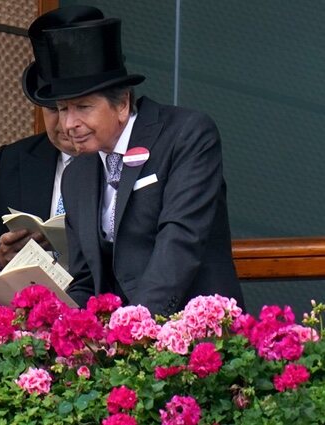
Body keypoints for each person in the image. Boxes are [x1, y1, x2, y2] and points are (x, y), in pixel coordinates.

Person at [30, 11, 244, 316]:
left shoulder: (186, 135)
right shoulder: (76, 174)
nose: (69, 123)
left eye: (83, 107)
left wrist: (132, 327)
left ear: (122, 104)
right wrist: (55, 323)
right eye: (63, 109)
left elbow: (179, 242)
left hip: (198, 335)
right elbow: (87, 280)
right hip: (119, 351)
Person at [0, 6, 105, 298]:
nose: (66, 123)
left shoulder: (123, 162)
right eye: (53, 108)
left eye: (79, 107)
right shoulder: (14, 161)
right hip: (24, 330)